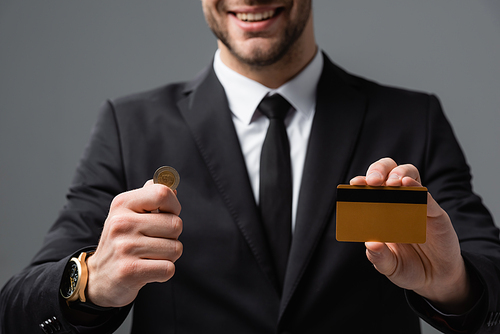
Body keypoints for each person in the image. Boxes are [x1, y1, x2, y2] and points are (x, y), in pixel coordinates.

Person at [1, 1, 500, 333]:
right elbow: (17, 310)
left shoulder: (415, 119)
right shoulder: (128, 125)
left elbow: (491, 278)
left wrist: (454, 282)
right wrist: (89, 281)